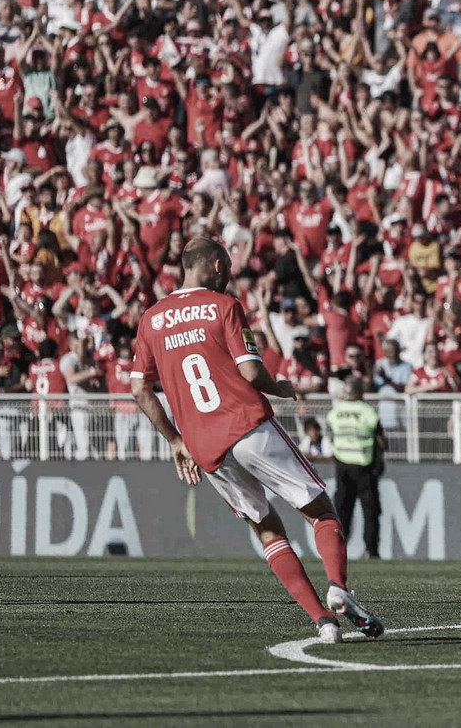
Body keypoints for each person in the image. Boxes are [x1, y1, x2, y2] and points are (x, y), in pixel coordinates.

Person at [129, 237, 382, 643]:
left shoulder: (151, 319)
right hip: (246, 425)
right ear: (213, 265)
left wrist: (175, 441)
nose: (229, 274)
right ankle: (337, 587)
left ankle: (323, 623)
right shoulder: (223, 306)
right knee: (320, 511)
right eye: (226, 266)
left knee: (267, 530)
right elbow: (250, 374)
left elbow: (139, 389)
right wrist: (280, 387)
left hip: (204, 449)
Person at [325, 375, 385, 560]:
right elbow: (381, 441)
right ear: (361, 391)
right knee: (370, 510)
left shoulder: (335, 413)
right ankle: (371, 550)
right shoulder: (369, 412)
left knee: (342, 510)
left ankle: (338, 549)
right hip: (365, 466)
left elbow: (331, 437)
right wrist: (380, 460)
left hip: (342, 465)